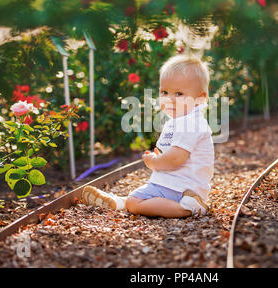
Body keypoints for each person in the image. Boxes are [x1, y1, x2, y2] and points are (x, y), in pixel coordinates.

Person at [81, 54, 215, 217]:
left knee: (135, 203)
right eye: (164, 92)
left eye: (179, 94)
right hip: (172, 184)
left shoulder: (191, 123)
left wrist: (154, 162)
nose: (170, 99)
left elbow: (175, 160)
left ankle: (189, 208)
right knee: (138, 197)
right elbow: (166, 152)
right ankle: (121, 202)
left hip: (184, 188)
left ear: (200, 98)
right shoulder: (176, 121)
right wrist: (156, 155)